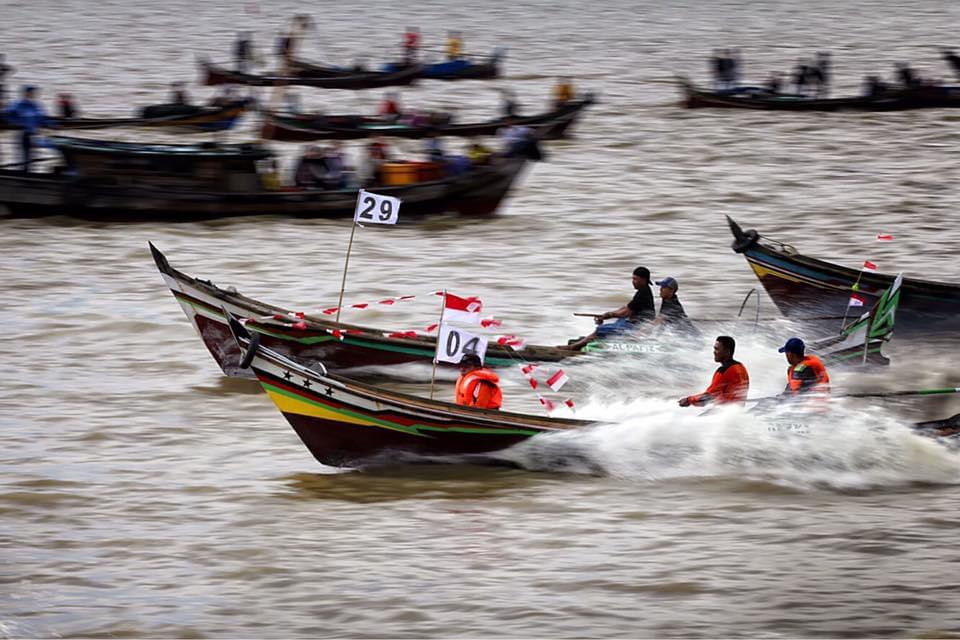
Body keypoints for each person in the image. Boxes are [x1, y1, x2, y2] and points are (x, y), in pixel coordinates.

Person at [564, 266, 655, 351]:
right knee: (615, 323)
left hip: (638, 327)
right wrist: (607, 315)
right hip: (633, 322)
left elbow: (625, 313)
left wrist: (608, 315)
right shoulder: (643, 291)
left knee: (600, 330)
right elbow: (626, 308)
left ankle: (573, 347)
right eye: (632, 279)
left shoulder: (643, 293)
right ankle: (590, 339)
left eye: (635, 279)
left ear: (644, 280)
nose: (633, 281)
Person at [679, 336, 750, 407]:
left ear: (727, 351)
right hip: (736, 412)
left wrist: (688, 400)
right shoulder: (741, 367)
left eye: (717, 349)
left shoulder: (724, 371)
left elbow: (707, 398)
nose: (714, 352)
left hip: (723, 414)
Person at [4, 85, 49, 171]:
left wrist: (50, 124)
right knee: (23, 156)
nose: (34, 94)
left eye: (34, 92)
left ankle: (29, 173)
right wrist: (18, 123)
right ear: (26, 93)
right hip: (23, 133)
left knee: (33, 156)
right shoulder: (18, 104)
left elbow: (42, 117)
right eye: (32, 92)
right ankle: (23, 174)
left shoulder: (35, 105)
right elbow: (7, 114)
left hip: (34, 133)